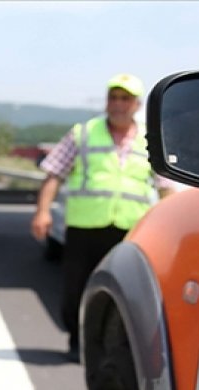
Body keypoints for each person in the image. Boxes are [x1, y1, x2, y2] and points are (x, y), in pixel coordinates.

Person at [31, 73, 175, 362]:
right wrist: (43, 212)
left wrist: (170, 227)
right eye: (113, 97)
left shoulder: (151, 139)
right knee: (76, 289)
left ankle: (113, 347)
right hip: (85, 227)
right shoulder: (83, 133)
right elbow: (54, 175)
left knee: (124, 290)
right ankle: (77, 341)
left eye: (125, 98)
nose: (118, 104)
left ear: (137, 104)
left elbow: (165, 186)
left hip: (129, 230)